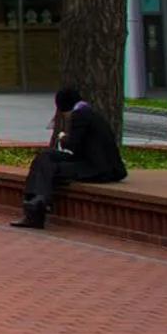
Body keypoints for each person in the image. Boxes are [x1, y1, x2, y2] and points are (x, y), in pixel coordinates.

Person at [13, 85, 128, 229]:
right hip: (89, 161)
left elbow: (72, 145)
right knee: (44, 156)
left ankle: (36, 206)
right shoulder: (89, 112)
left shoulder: (80, 115)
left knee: (50, 166)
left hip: (98, 169)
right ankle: (37, 201)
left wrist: (62, 137)